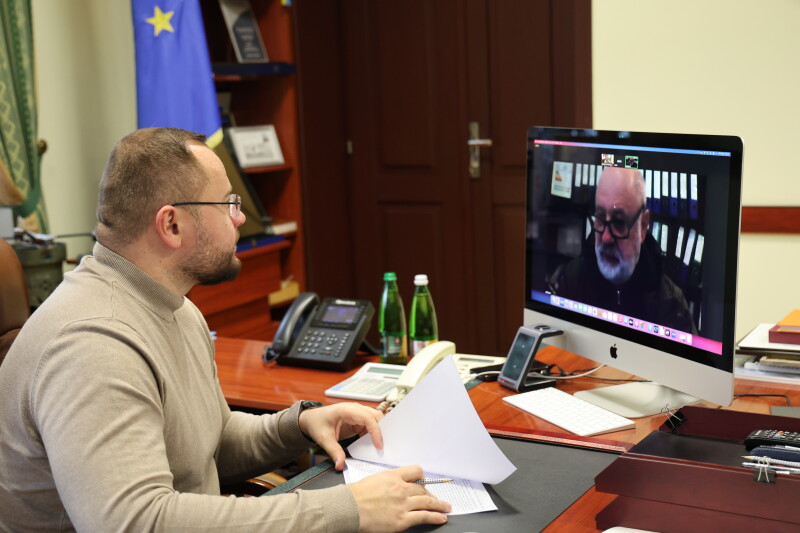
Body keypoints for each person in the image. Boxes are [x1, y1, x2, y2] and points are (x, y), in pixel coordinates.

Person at [0, 128, 451, 532]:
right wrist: (347, 510)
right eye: (228, 204)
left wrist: (300, 425)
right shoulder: (94, 344)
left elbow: (210, 443)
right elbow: (135, 522)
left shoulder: (174, 306)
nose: (240, 218)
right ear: (172, 224)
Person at [549, 166, 696, 334]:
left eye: (619, 222)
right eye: (600, 218)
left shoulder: (671, 304)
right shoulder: (572, 279)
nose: (606, 238)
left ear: (643, 226)